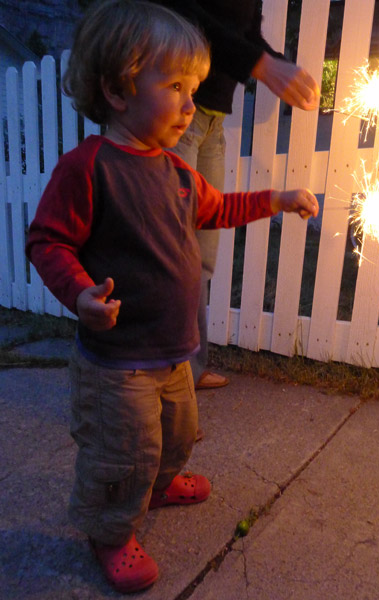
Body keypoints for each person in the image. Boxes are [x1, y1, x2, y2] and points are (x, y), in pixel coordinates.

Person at [26, 0, 319, 594]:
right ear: (116, 90)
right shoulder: (89, 168)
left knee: (177, 434)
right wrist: (80, 294)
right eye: (177, 86)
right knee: (122, 451)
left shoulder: (177, 173)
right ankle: (110, 529)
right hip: (116, 363)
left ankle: (159, 485)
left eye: (196, 88)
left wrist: (278, 198)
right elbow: (48, 240)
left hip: (172, 352)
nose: (192, 104)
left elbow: (219, 208)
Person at [153, 0, 321, 391]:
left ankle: (186, 372)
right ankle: (157, 385)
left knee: (201, 255)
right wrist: (260, 64)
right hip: (172, 115)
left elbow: (220, 209)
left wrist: (276, 65)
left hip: (212, 118)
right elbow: (183, 18)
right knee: (171, 253)